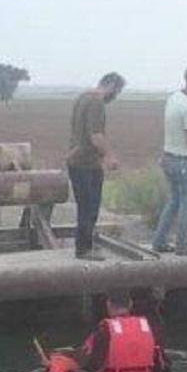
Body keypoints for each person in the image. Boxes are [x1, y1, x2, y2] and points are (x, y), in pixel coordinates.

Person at [67, 72, 126, 261]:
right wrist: (110, 155)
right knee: (89, 208)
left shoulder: (82, 98)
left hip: (76, 160)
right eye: (117, 91)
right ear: (110, 84)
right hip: (86, 163)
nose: (115, 96)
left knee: (85, 206)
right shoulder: (96, 102)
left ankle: (85, 246)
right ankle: (84, 249)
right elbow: (96, 136)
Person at [152, 67, 187, 256]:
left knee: (174, 202)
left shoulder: (173, 98)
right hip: (185, 161)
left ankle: (159, 240)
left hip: (169, 158)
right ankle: (182, 245)